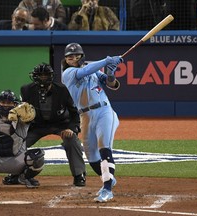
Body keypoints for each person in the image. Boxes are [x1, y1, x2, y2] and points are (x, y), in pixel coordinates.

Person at [3, 63, 86, 187]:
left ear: (51, 76)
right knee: (19, 142)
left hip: (60, 124)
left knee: (72, 139)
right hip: (37, 125)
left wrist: (72, 128)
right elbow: (23, 111)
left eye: (45, 75)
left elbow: (74, 113)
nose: (43, 78)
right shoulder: (26, 90)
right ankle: (16, 174)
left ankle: (79, 175)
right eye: (40, 75)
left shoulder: (61, 89)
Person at [61, 43, 123, 202]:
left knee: (104, 147)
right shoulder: (68, 73)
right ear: (66, 59)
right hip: (86, 117)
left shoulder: (95, 72)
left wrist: (110, 73)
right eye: (69, 56)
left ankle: (107, 188)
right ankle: (108, 177)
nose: (73, 58)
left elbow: (113, 85)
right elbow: (85, 71)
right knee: (92, 156)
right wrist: (107, 60)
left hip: (104, 112)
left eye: (76, 55)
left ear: (82, 56)